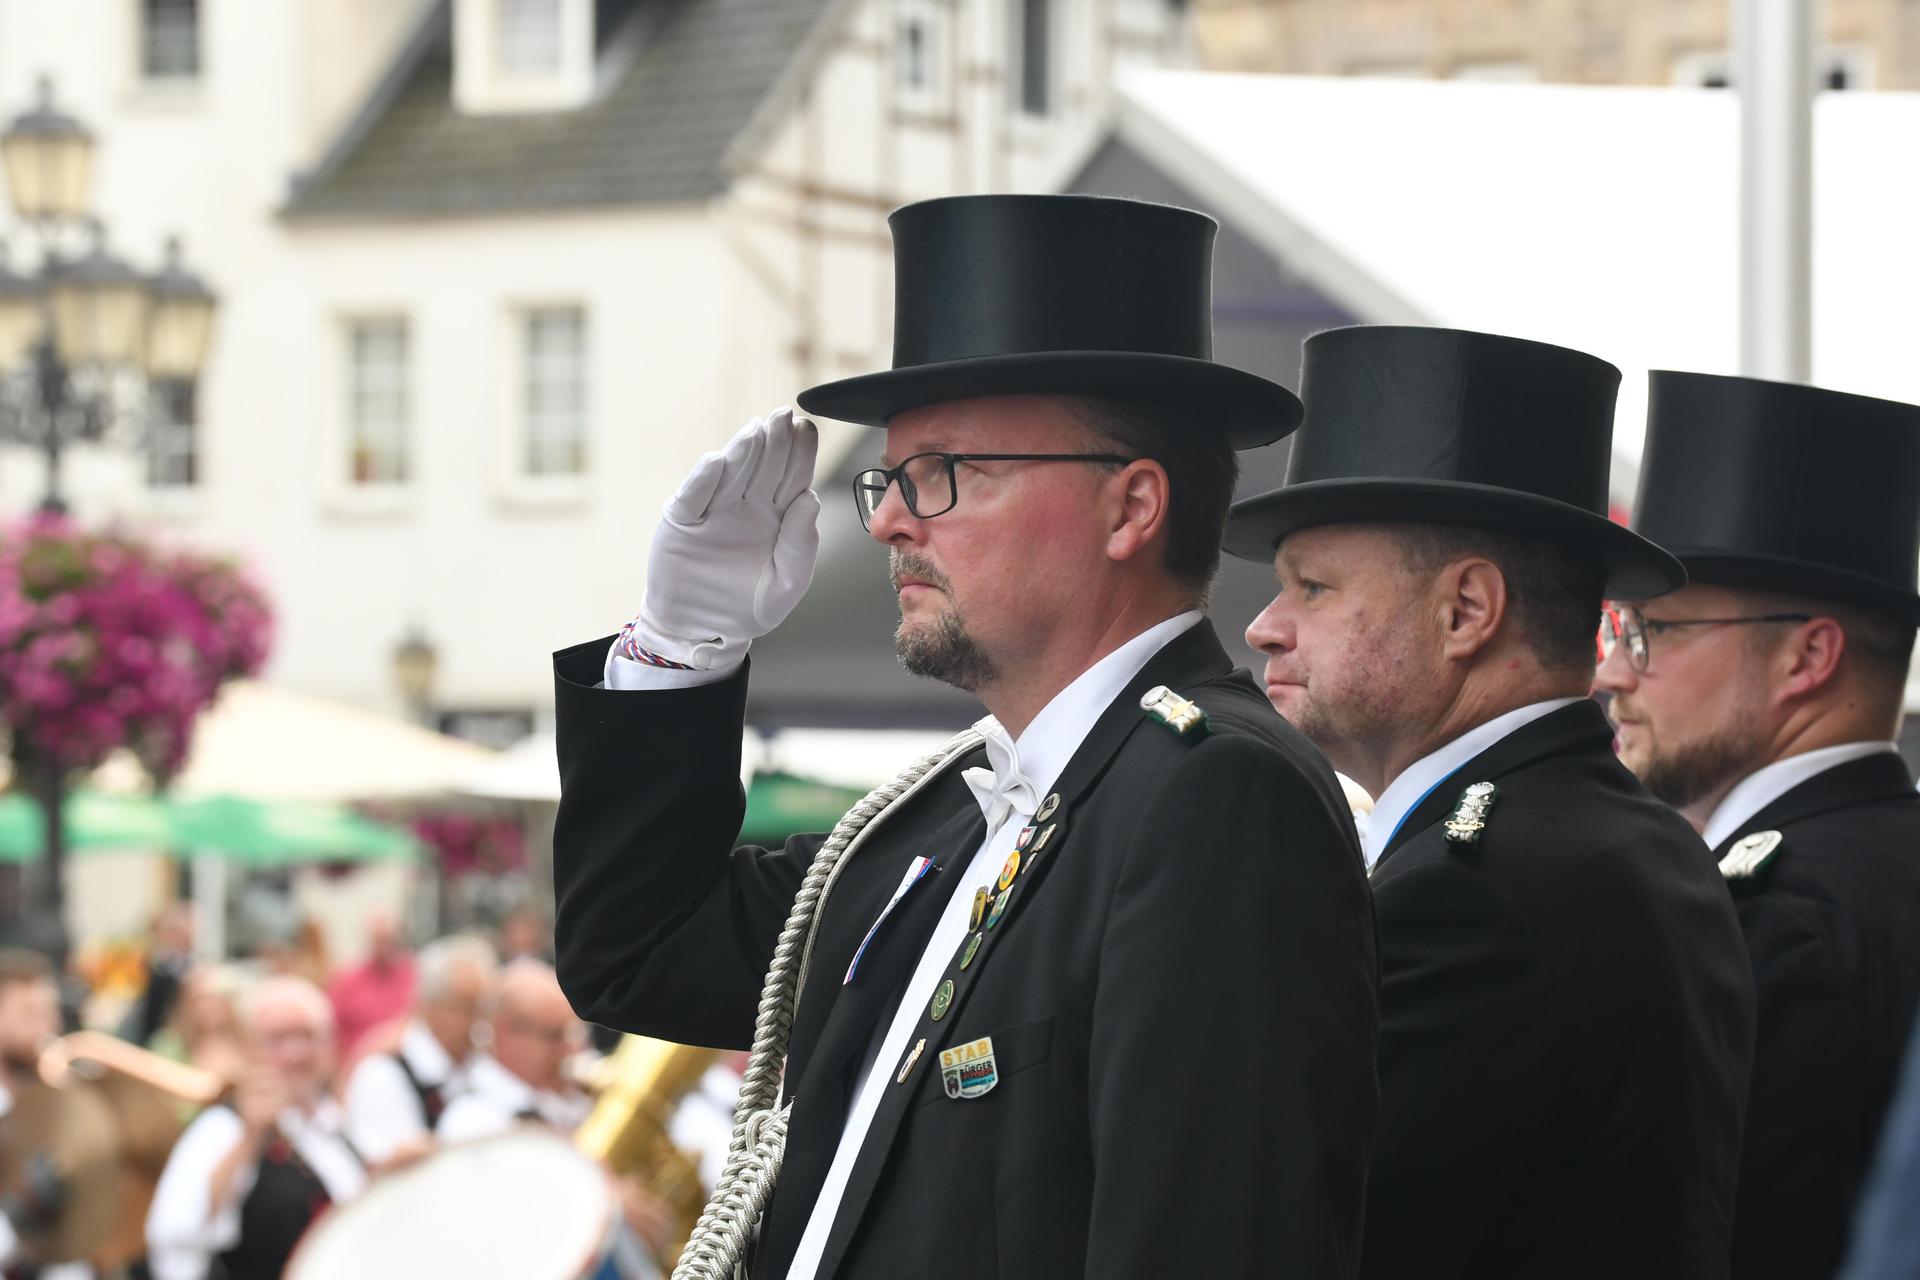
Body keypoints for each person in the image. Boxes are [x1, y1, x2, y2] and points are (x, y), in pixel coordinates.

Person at [552, 193, 1377, 1279]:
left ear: (1130, 508)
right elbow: (638, 953)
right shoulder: (941, 817)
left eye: (947, 472)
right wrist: (677, 651)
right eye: (888, 479)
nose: (893, 517)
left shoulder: (1213, 794)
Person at [1233, 325, 1754, 1278]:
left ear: (1467, 610)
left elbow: (1321, 1241)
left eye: (1313, 587)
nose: (1266, 627)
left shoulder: (1474, 891)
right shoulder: (1627, 838)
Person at [1594, 372, 1920, 1280]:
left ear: (1808, 656)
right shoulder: (1871, 868)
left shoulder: (1776, 919)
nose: (1615, 672)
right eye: (1621, 627)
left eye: (1655, 632)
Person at [145, 976, 365, 1280]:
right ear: (250, 1049)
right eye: (278, 1039)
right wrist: (249, 1138)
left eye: (307, 1036)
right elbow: (176, 1233)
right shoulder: (223, 1126)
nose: (296, 1054)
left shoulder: (335, 1120)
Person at [344, 933, 496, 1166]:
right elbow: (385, 1169)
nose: (478, 1022)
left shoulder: (484, 1065)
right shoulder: (383, 1075)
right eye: (466, 1008)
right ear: (428, 1005)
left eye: (484, 1008)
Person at [0, 949, 92, 1280]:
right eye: (28, 1013)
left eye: (49, 1012)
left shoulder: (62, 1104)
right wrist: (20, 1212)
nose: (45, 1026)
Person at [434, 959, 587, 1143]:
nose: (568, 1049)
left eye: (571, 1034)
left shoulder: (565, 1100)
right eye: (554, 1035)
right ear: (504, 1034)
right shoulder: (471, 1121)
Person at [326, 910, 414, 1059]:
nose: (384, 946)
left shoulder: (415, 976)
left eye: (389, 939)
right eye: (379, 939)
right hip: (358, 1066)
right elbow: (331, 1031)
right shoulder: (346, 979)